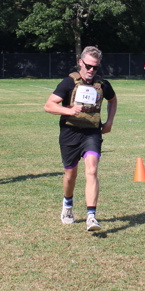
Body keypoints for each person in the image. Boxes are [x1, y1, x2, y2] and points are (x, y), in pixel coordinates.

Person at [44, 46, 117, 232]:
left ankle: (91, 216)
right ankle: (67, 205)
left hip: (92, 132)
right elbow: (49, 105)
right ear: (80, 62)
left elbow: (113, 100)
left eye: (96, 67)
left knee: (91, 169)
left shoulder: (102, 84)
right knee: (70, 174)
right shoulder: (68, 83)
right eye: (89, 66)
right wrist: (68, 111)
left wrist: (109, 122)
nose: (92, 70)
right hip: (70, 132)